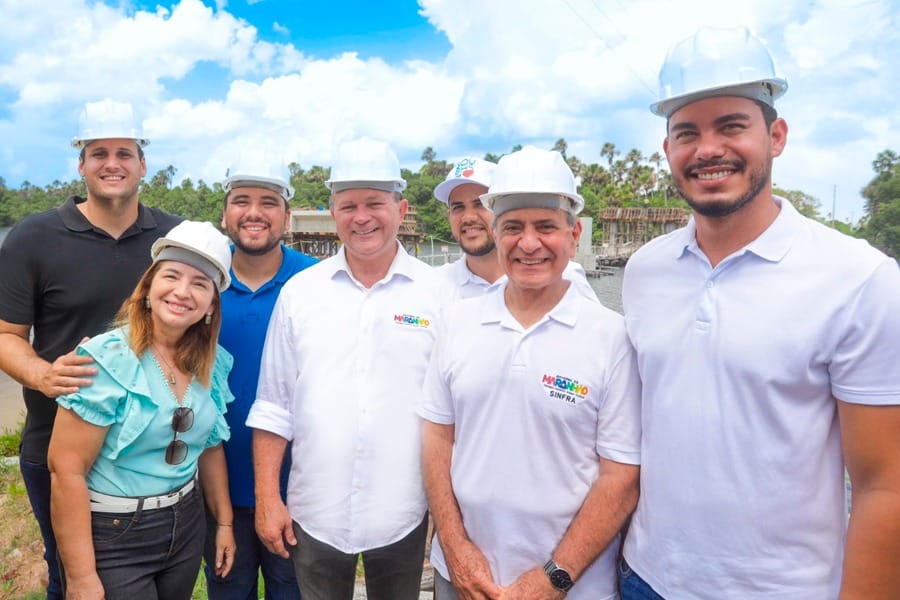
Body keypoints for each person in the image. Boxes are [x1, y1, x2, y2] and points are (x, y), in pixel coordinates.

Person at [620, 26, 900, 599]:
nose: (708, 149)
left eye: (731, 126)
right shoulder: (646, 270)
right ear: (668, 150)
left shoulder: (859, 279)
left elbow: (884, 486)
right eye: (686, 132)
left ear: (776, 135)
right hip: (645, 577)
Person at [421, 146, 642, 600]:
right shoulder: (459, 321)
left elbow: (620, 477)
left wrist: (552, 578)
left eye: (546, 226)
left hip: (575, 586)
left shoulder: (612, 336)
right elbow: (436, 438)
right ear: (496, 232)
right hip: (461, 578)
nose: (529, 243)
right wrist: (456, 547)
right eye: (513, 227)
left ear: (574, 233)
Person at [247, 137, 447, 600]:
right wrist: (267, 499)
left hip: (403, 511)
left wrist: (447, 512)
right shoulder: (300, 293)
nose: (362, 217)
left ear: (401, 208)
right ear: (333, 212)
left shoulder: (437, 295)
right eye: (349, 205)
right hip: (315, 511)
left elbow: (449, 413)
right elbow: (274, 405)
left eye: (375, 203)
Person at [0, 98, 181, 600]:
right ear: (81, 164)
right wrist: (39, 375)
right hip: (58, 446)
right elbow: (6, 335)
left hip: (150, 452)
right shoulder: (34, 237)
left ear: (143, 164)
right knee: (72, 577)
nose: (112, 164)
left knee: (158, 576)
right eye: (98, 152)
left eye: (124, 152)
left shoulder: (172, 236)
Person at [47, 220, 236, 599]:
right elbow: (66, 471)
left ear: (211, 306)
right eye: (172, 276)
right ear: (149, 287)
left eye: (200, 283)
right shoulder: (105, 360)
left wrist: (225, 523)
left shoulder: (211, 365)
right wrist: (82, 578)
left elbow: (210, 446)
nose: (183, 292)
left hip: (185, 525)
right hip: (115, 533)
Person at [202, 162, 317, 599]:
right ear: (225, 214)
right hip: (217, 486)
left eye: (269, 202)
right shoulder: (201, 282)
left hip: (299, 487)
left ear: (287, 217)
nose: (255, 212)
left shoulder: (315, 281)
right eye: (242, 201)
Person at [433, 156, 599, 301]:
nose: (468, 217)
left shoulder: (566, 278)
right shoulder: (433, 285)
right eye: (458, 207)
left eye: (479, 205)